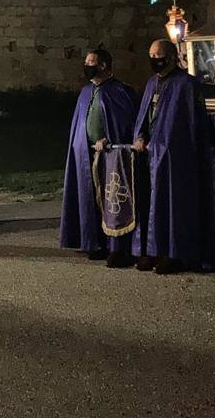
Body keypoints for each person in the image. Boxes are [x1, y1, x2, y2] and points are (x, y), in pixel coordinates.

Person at [131, 39, 215, 274]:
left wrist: (170, 146)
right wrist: (140, 136)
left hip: (176, 159)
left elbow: (192, 125)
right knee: (150, 203)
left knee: (172, 205)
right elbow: (145, 116)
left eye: (158, 55)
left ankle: (175, 253)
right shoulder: (151, 84)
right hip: (150, 157)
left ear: (170, 57)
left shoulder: (187, 85)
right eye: (150, 55)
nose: (154, 59)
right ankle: (151, 250)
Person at [60, 48, 140, 265]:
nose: (87, 66)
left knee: (112, 200)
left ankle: (115, 245)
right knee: (88, 199)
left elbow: (126, 125)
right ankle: (92, 242)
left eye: (91, 62)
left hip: (110, 155)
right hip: (85, 153)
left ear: (103, 65)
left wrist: (109, 140)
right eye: (86, 62)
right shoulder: (85, 92)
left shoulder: (120, 92)